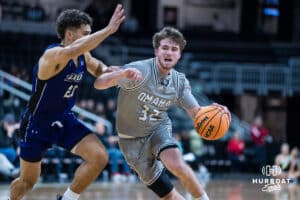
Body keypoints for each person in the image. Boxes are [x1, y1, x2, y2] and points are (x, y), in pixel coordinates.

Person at [9, 5, 139, 200]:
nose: (89, 37)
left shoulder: (83, 56)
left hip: (64, 119)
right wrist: (109, 30)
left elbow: (98, 68)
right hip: (38, 123)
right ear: (69, 35)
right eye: (85, 34)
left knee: (99, 156)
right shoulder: (52, 56)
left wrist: (115, 72)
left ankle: (67, 199)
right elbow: (78, 48)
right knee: (27, 182)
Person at [94, 27, 231, 200]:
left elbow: (196, 113)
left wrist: (216, 113)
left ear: (179, 55)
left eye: (174, 49)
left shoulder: (179, 82)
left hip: (157, 129)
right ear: (157, 51)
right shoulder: (140, 70)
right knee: (169, 196)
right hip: (131, 141)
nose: (169, 52)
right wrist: (121, 74)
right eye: (165, 47)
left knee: (178, 165)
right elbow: (99, 83)